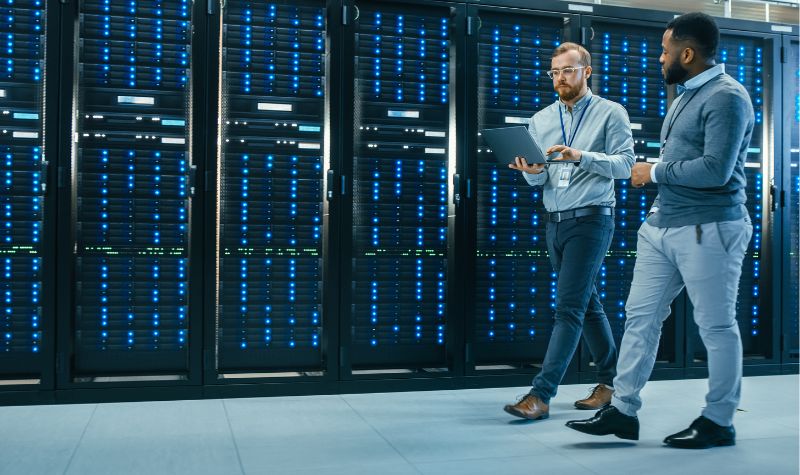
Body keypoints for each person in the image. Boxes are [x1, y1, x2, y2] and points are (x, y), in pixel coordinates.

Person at [565, 12, 754, 449]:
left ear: (687, 54)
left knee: (717, 326)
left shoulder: (728, 97)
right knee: (640, 319)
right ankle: (623, 411)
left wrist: (654, 172)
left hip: (710, 228)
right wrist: (655, 190)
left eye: (666, 50)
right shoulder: (686, 93)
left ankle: (719, 420)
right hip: (662, 226)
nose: (659, 58)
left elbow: (716, 170)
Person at [502, 42, 635, 421]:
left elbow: (626, 165)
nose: (560, 78)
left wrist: (582, 156)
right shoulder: (541, 119)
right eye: (555, 72)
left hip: (593, 219)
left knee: (569, 308)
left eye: (568, 71)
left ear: (586, 72)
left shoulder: (611, 113)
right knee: (586, 303)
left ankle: (540, 395)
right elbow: (541, 176)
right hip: (554, 222)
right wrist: (532, 173)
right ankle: (611, 382)